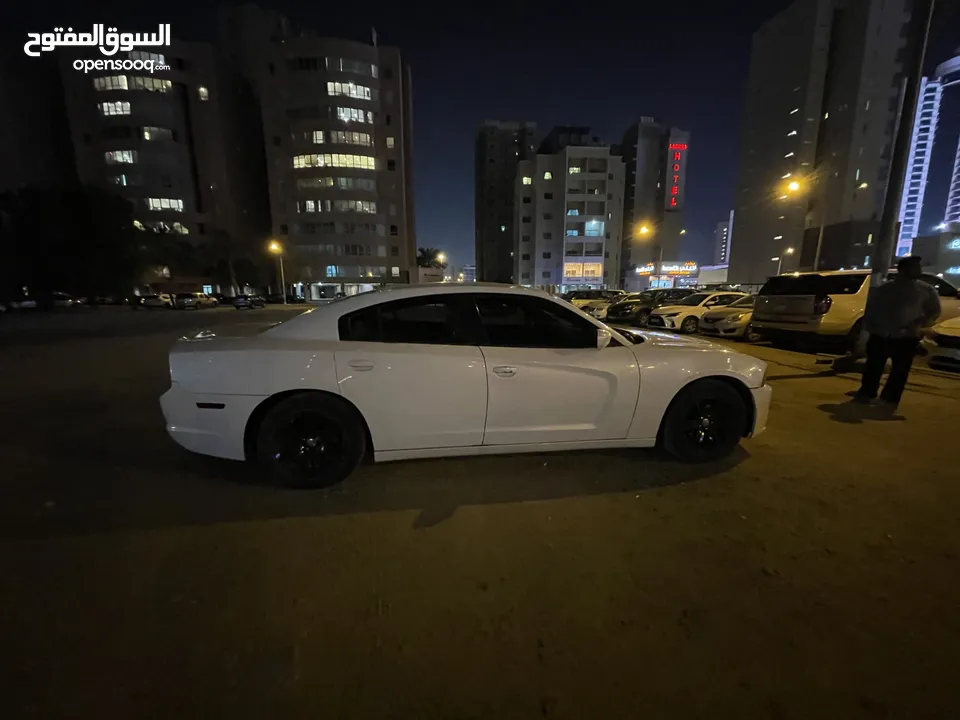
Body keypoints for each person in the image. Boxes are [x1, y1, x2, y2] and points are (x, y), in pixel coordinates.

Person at [853, 256, 941, 411]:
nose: (918, 270)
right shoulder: (885, 289)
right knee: (874, 366)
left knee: (900, 370)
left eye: (918, 267)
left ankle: (890, 398)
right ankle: (867, 393)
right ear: (903, 270)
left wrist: (921, 323)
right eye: (914, 267)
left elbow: (934, 311)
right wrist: (870, 327)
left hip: (906, 336)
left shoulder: (925, 290)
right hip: (881, 334)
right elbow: (872, 310)